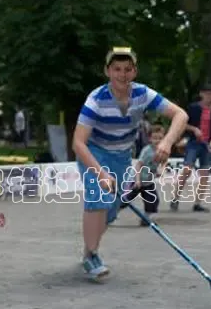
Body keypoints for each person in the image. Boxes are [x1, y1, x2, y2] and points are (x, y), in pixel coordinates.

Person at [72, 47, 188, 282]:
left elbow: (181, 115)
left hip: (122, 156)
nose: (122, 75)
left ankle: (88, 252)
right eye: (116, 69)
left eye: (127, 69)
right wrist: (100, 173)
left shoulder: (142, 94)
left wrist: (166, 142)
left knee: (111, 210)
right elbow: (78, 143)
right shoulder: (96, 100)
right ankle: (92, 255)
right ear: (107, 71)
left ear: (134, 72)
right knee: (98, 198)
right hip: (94, 153)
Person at [170, 83, 211, 213]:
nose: (208, 96)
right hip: (193, 143)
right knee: (187, 170)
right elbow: (182, 123)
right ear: (201, 94)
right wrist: (194, 129)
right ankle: (175, 198)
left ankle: (198, 203)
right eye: (206, 93)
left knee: (204, 174)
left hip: (207, 146)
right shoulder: (193, 108)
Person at [120, 124, 165, 226]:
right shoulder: (147, 151)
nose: (157, 141)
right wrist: (137, 180)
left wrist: (158, 172)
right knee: (125, 201)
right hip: (136, 179)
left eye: (160, 138)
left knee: (153, 201)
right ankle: (109, 215)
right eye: (155, 138)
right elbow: (138, 165)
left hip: (147, 182)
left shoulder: (162, 151)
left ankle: (146, 219)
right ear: (150, 138)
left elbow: (160, 165)